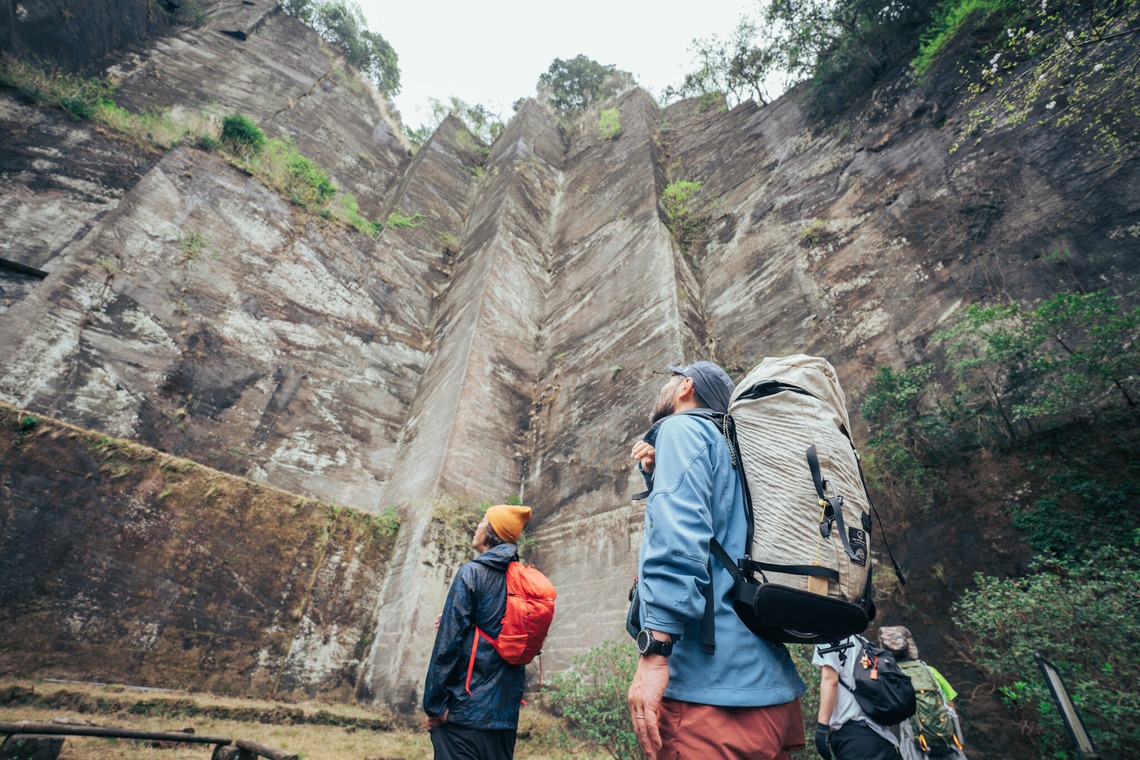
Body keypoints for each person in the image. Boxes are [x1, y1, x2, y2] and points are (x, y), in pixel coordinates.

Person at [627, 361, 807, 760]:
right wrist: (658, 475)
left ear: (685, 386)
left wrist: (656, 649)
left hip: (710, 694)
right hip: (768, 687)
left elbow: (679, 538)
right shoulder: (741, 452)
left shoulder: (681, 429)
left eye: (670, 379)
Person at [423, 503, 533, 760]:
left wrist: (434, 706)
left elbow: (447, 645)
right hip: (504, 721)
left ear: (493, 531)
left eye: (483, 521)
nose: (477, 526)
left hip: (465, 716)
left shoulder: (472, 573)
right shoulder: (524, 582)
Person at [878, 626, 967, 760]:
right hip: (946, 742)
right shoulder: (929, 670)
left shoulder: (890, 677)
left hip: (917, 746)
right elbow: (950, 703)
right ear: (909, 648)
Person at [812, 635, 901, 759]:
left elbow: (830, 680)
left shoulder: (829, 639)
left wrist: (822, 727)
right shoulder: (860, 639)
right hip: (880, 735)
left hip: (854, 736)